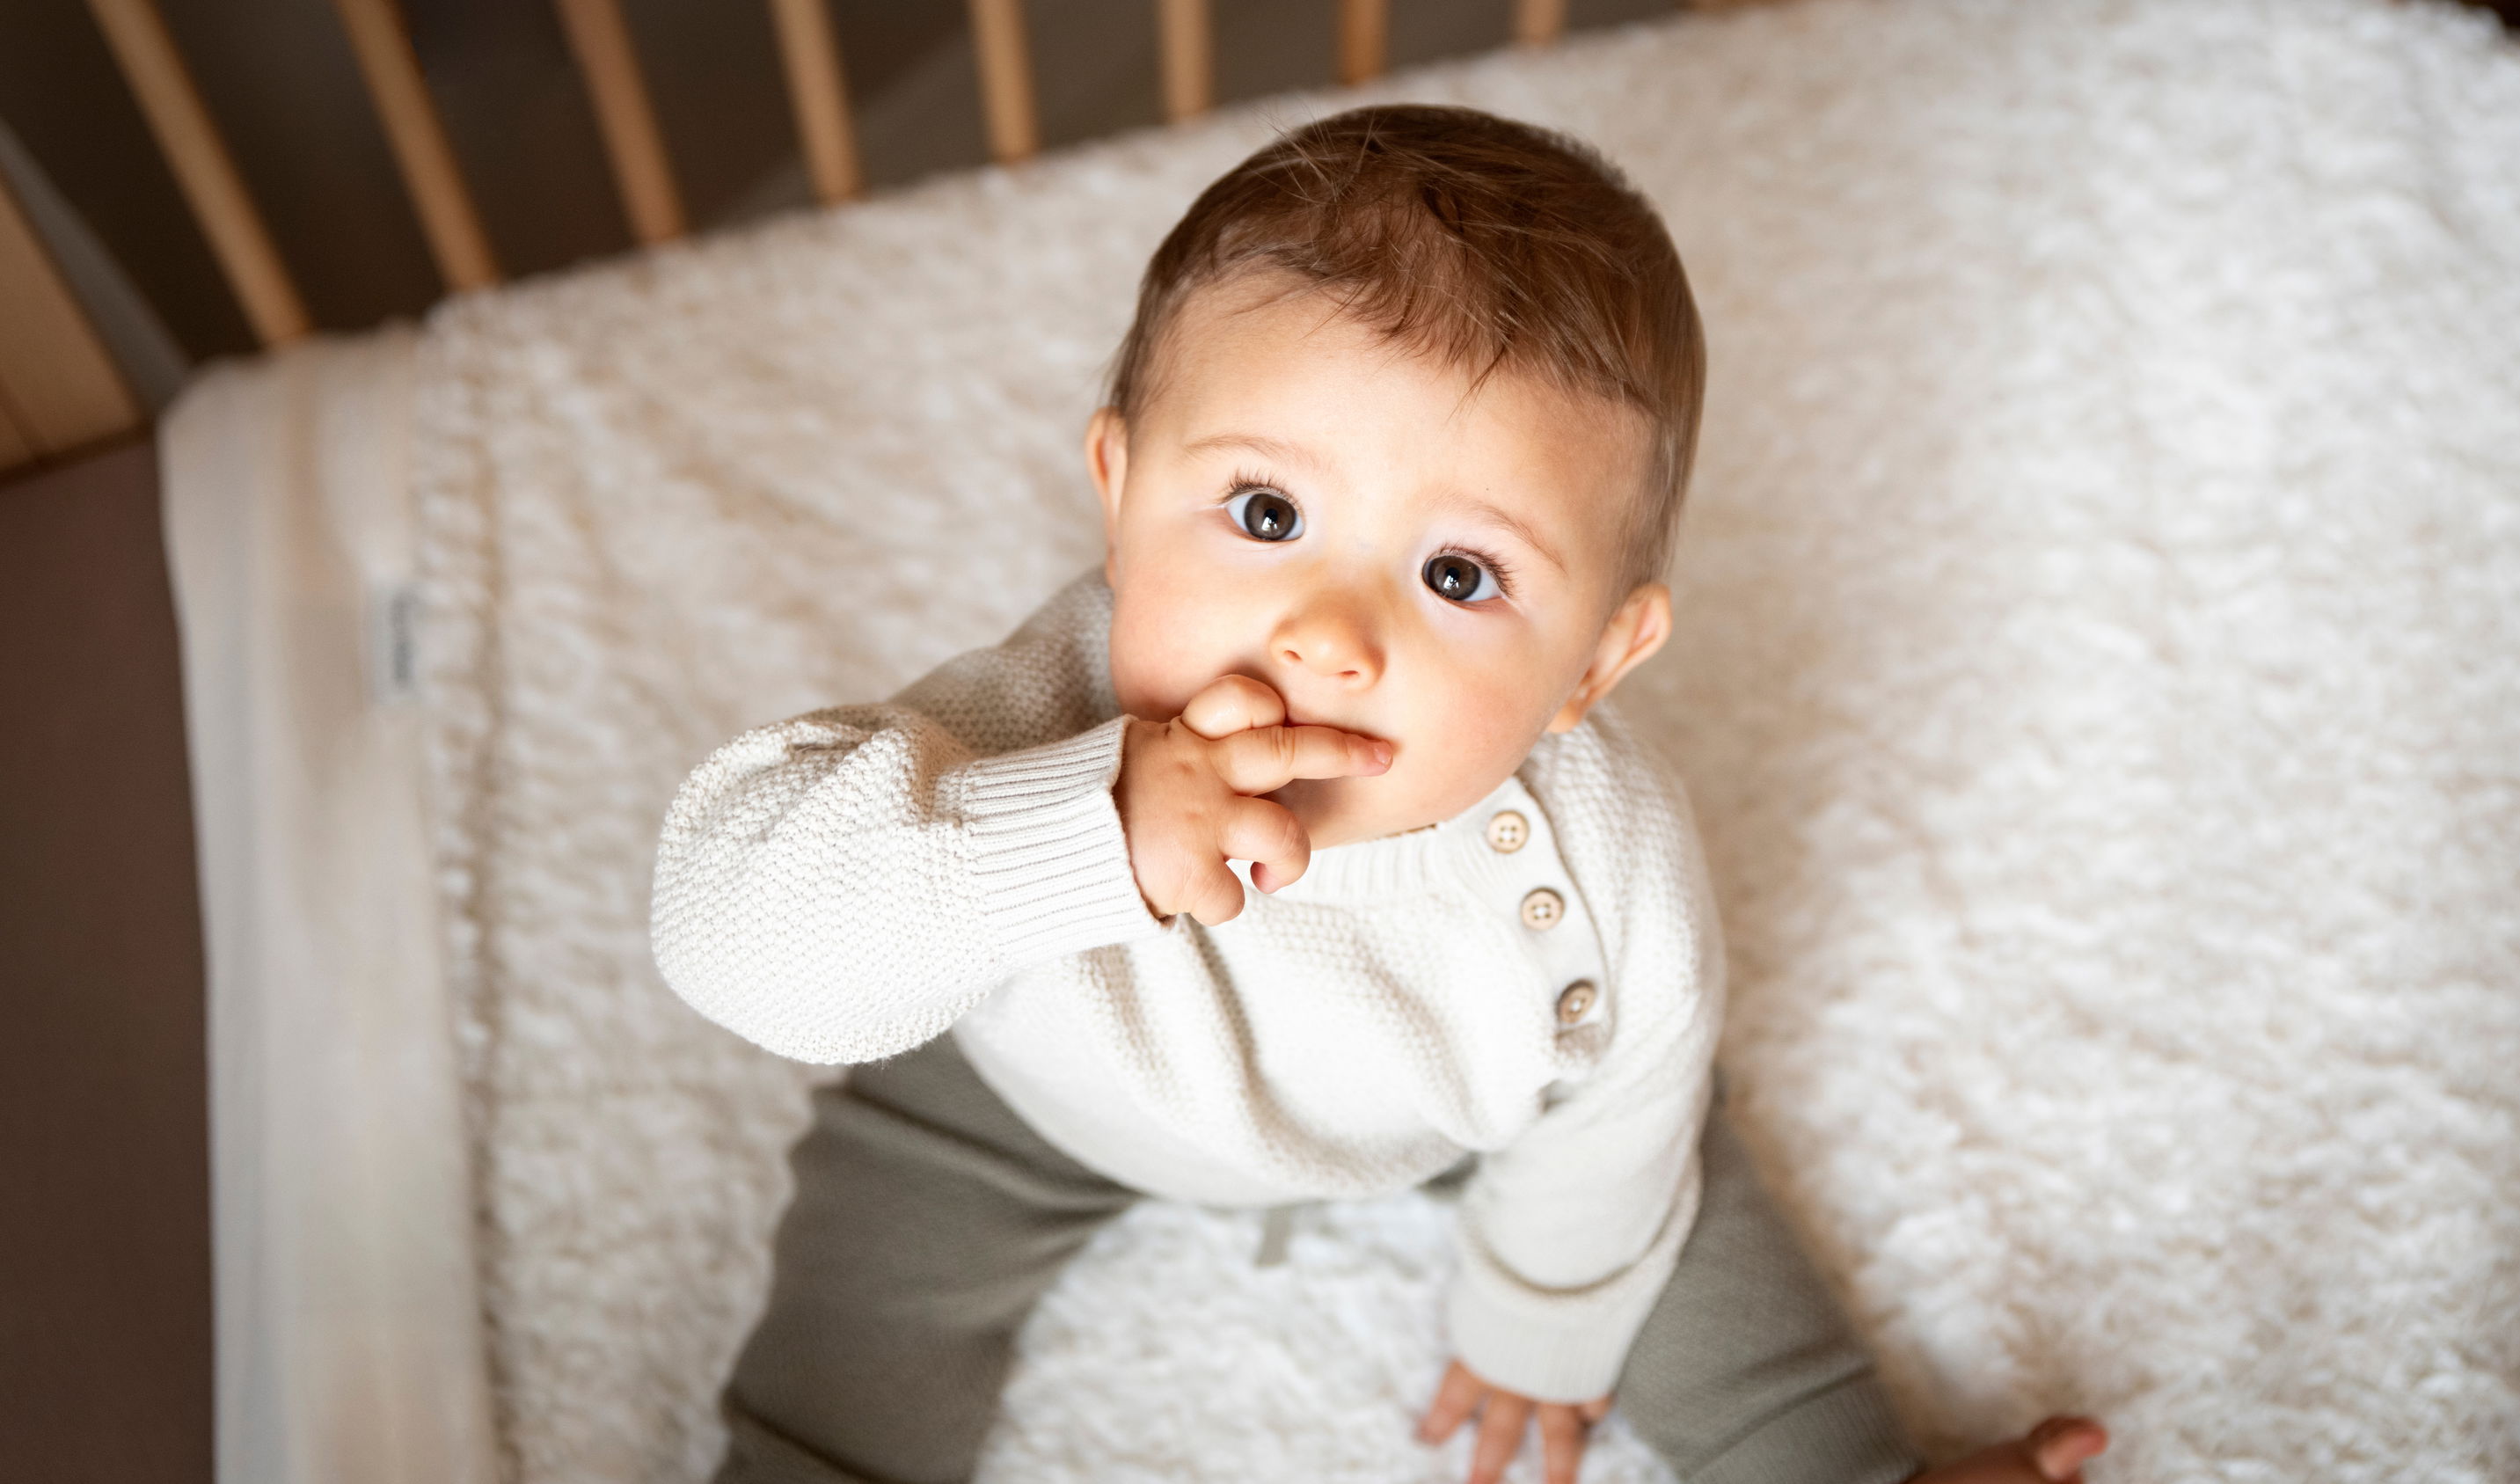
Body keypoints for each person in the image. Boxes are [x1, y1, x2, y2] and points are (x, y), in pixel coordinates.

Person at [650, 104, 2107, 1484]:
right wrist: (1083, 835)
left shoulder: (1601, 872)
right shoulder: (1033, 717)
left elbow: (1624, 1102)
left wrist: (1545, 1311)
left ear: (1595, 662)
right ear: (1119, 486)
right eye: (1268, 514)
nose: (1328, 636)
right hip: (1023, 1093)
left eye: (1459, 576)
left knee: (1670, 1195)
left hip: (1441, 1122)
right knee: (855, 1323)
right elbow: (730, 935)